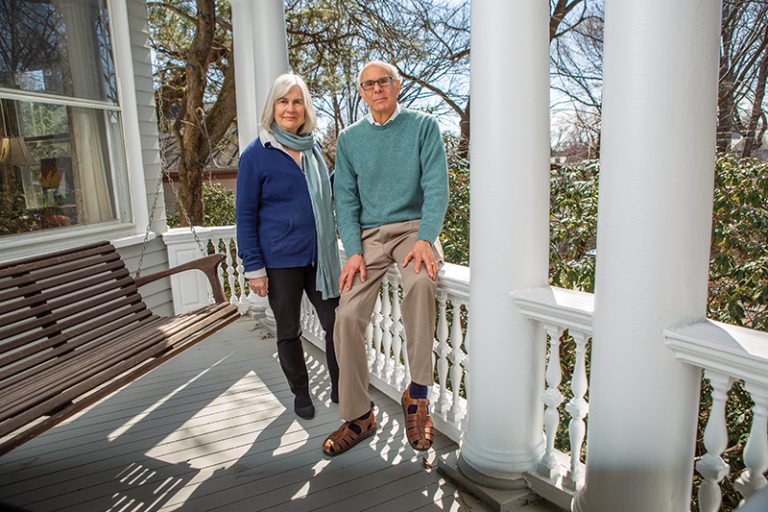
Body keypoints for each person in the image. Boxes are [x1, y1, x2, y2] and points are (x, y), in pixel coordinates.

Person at [322, 60, 449, 456]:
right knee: (345, 316)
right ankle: (359, 415)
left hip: (413, 231)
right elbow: (344, 198)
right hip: (369, 238)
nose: (376, 89)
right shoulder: (349, 139)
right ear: (361, 92)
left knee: (421, 285)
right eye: (368, 84)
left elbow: (436, 186)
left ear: (396, 86)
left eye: (383, 82)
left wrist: (427, 237)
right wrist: (354, 250)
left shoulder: (423, 126)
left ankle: (418, 396)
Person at [236, 73, 341, 420]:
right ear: (273, 107)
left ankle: (342, 387)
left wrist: (343, 174)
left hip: (319, 258)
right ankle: (300, 392)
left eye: (297, 101)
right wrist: (253, 267)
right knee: (288, 330)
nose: (290, 108)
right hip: (279, 260)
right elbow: (245, 215)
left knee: (337, 323)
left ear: (305, 108)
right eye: (283, 101)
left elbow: (317, 194)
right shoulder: (257, 153)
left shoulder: (312, 150)